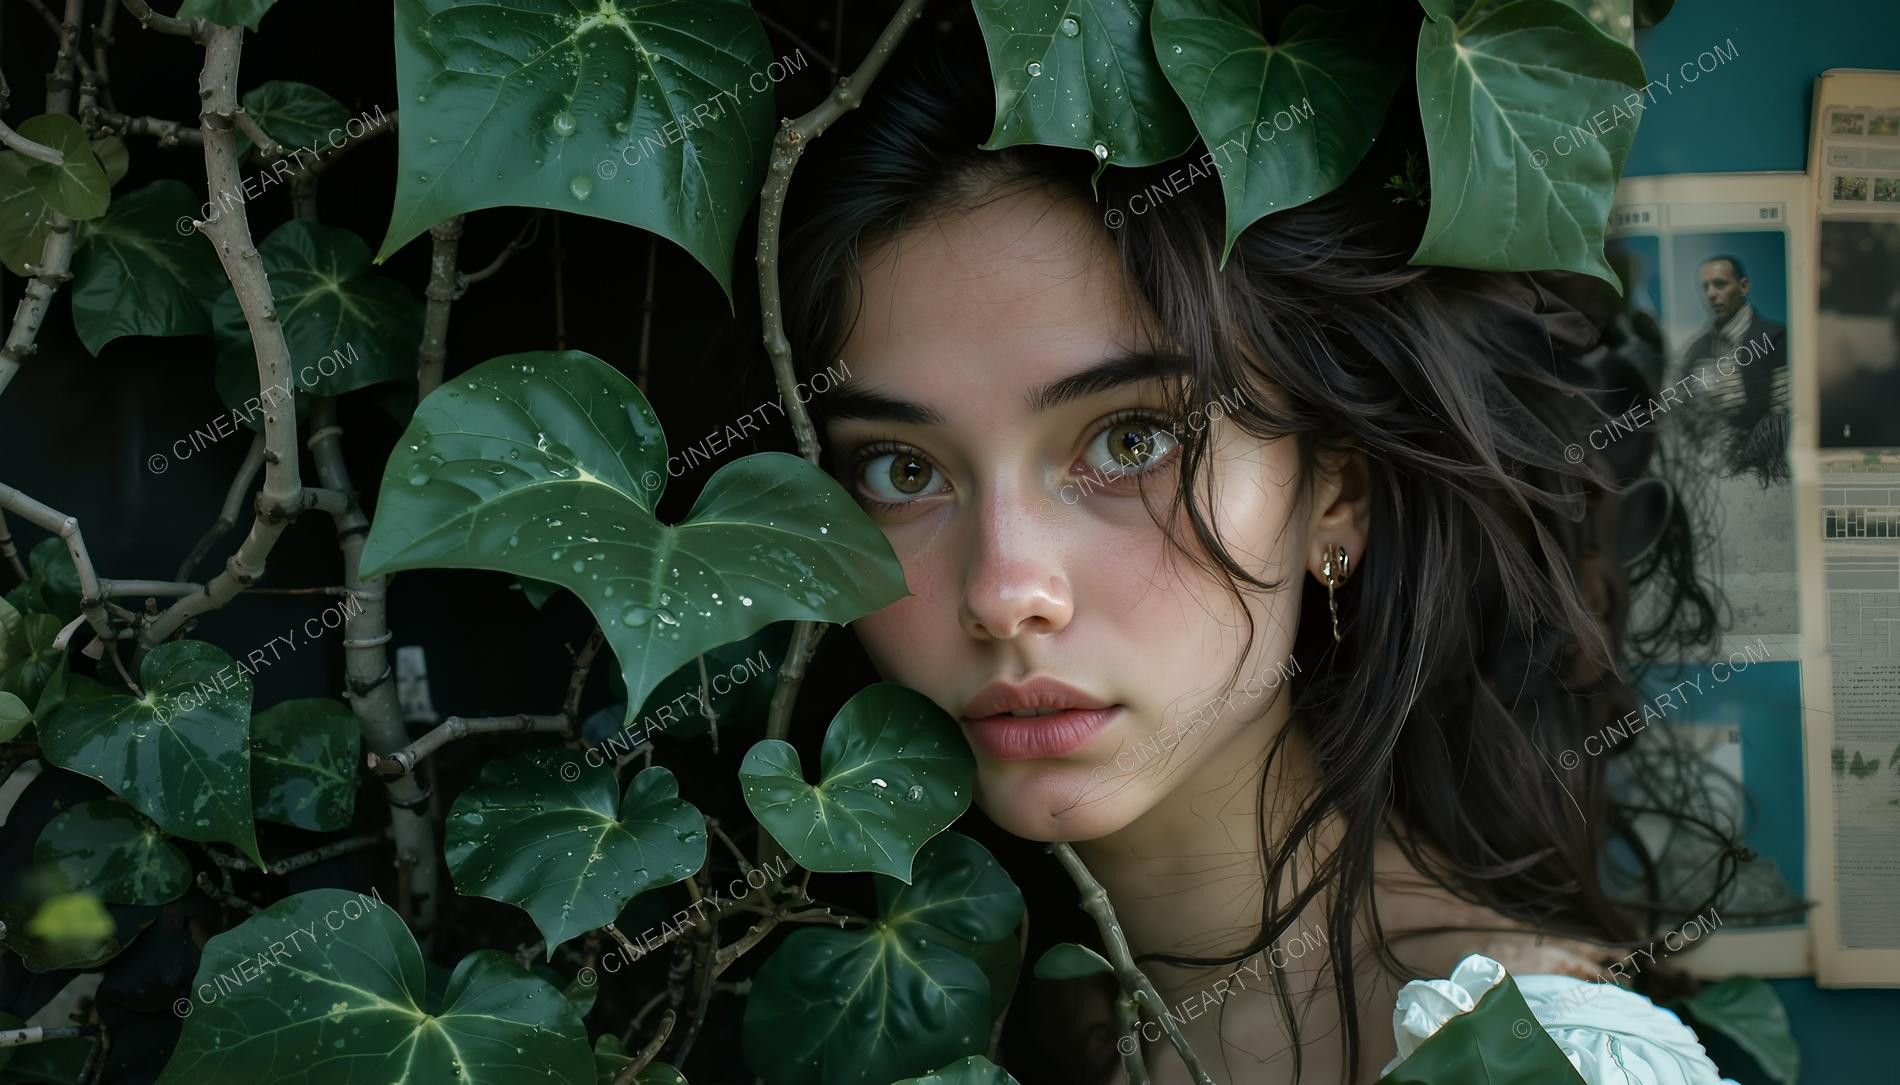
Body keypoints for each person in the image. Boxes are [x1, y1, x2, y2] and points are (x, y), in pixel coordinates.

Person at [773, 25, 1738, 1085]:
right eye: (901, 470)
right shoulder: (840, 997)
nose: (1006, 592)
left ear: (1336, 491)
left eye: (1129, 442)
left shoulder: (1529, 1058)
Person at [1672, 255, 1790, 485]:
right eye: (1705, 287)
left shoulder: (1776, 339)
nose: (1711, 294)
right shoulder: (1695, 351)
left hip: (1766, 474)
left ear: (1743, 286)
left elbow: (1785, 418)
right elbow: (1683, 414)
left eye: (1720, 284)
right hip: (1708, 474)